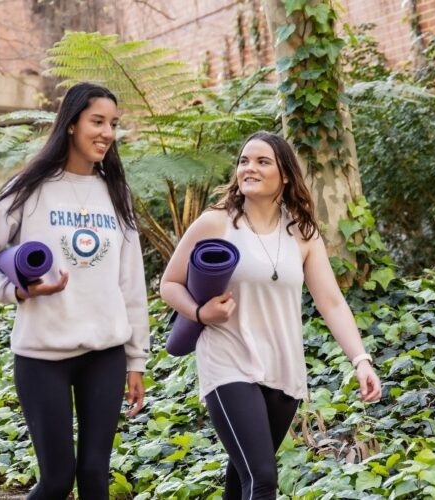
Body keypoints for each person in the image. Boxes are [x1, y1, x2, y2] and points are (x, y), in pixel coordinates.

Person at [160, 131, 382, 499]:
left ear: (286, 176)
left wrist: (360, 360)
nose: (250, 168)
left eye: (262, 162)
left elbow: (331, 302)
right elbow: (169, 283)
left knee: (243, 476)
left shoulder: (302, 232)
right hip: (228, 362)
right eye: (244, 161)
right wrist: (199, 312)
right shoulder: (216, 223)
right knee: (262, 478)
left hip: (283, 369)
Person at [0, 82, 149, 499]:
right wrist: (18, 292)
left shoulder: (117, 194)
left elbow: (131, 282)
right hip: (42, 356)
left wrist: (137, 359)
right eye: (97, 121)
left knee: (96, 476)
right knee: (57, 479)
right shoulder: (31, 187)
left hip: (105, 353)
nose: (107, 133)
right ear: (71, 124)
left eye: (113, 124)